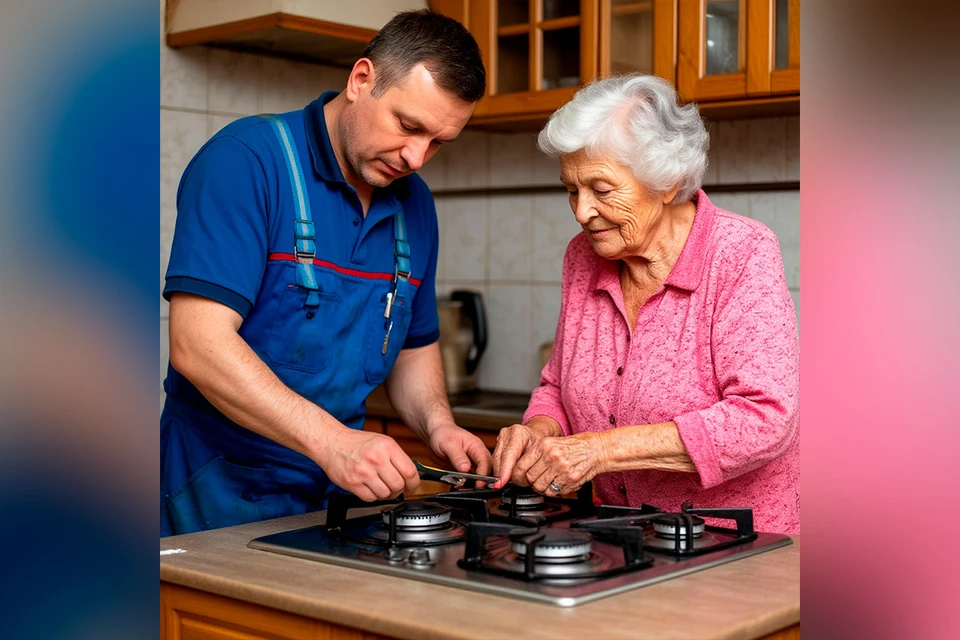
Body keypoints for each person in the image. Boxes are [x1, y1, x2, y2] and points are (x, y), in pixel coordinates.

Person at [160, 10, 491, 537]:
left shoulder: (416, 205)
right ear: (361, 80)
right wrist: (333, 442)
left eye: (439, 142)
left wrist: (440, 426)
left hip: (335, 499)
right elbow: (197, 344)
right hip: (214, 493)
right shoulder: (246, 161)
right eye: (409, 127)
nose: (417, 157)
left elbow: (413, 350)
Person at [491, 75, 800, 533]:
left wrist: (599, 450)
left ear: (668, 181)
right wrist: (539, 430)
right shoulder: (584, 256)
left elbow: (765, 417)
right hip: (623, 540)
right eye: (571, 189)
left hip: (739, 548)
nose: (581, 211)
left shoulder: (740, 252)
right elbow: (557, 386)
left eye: (602, 188)